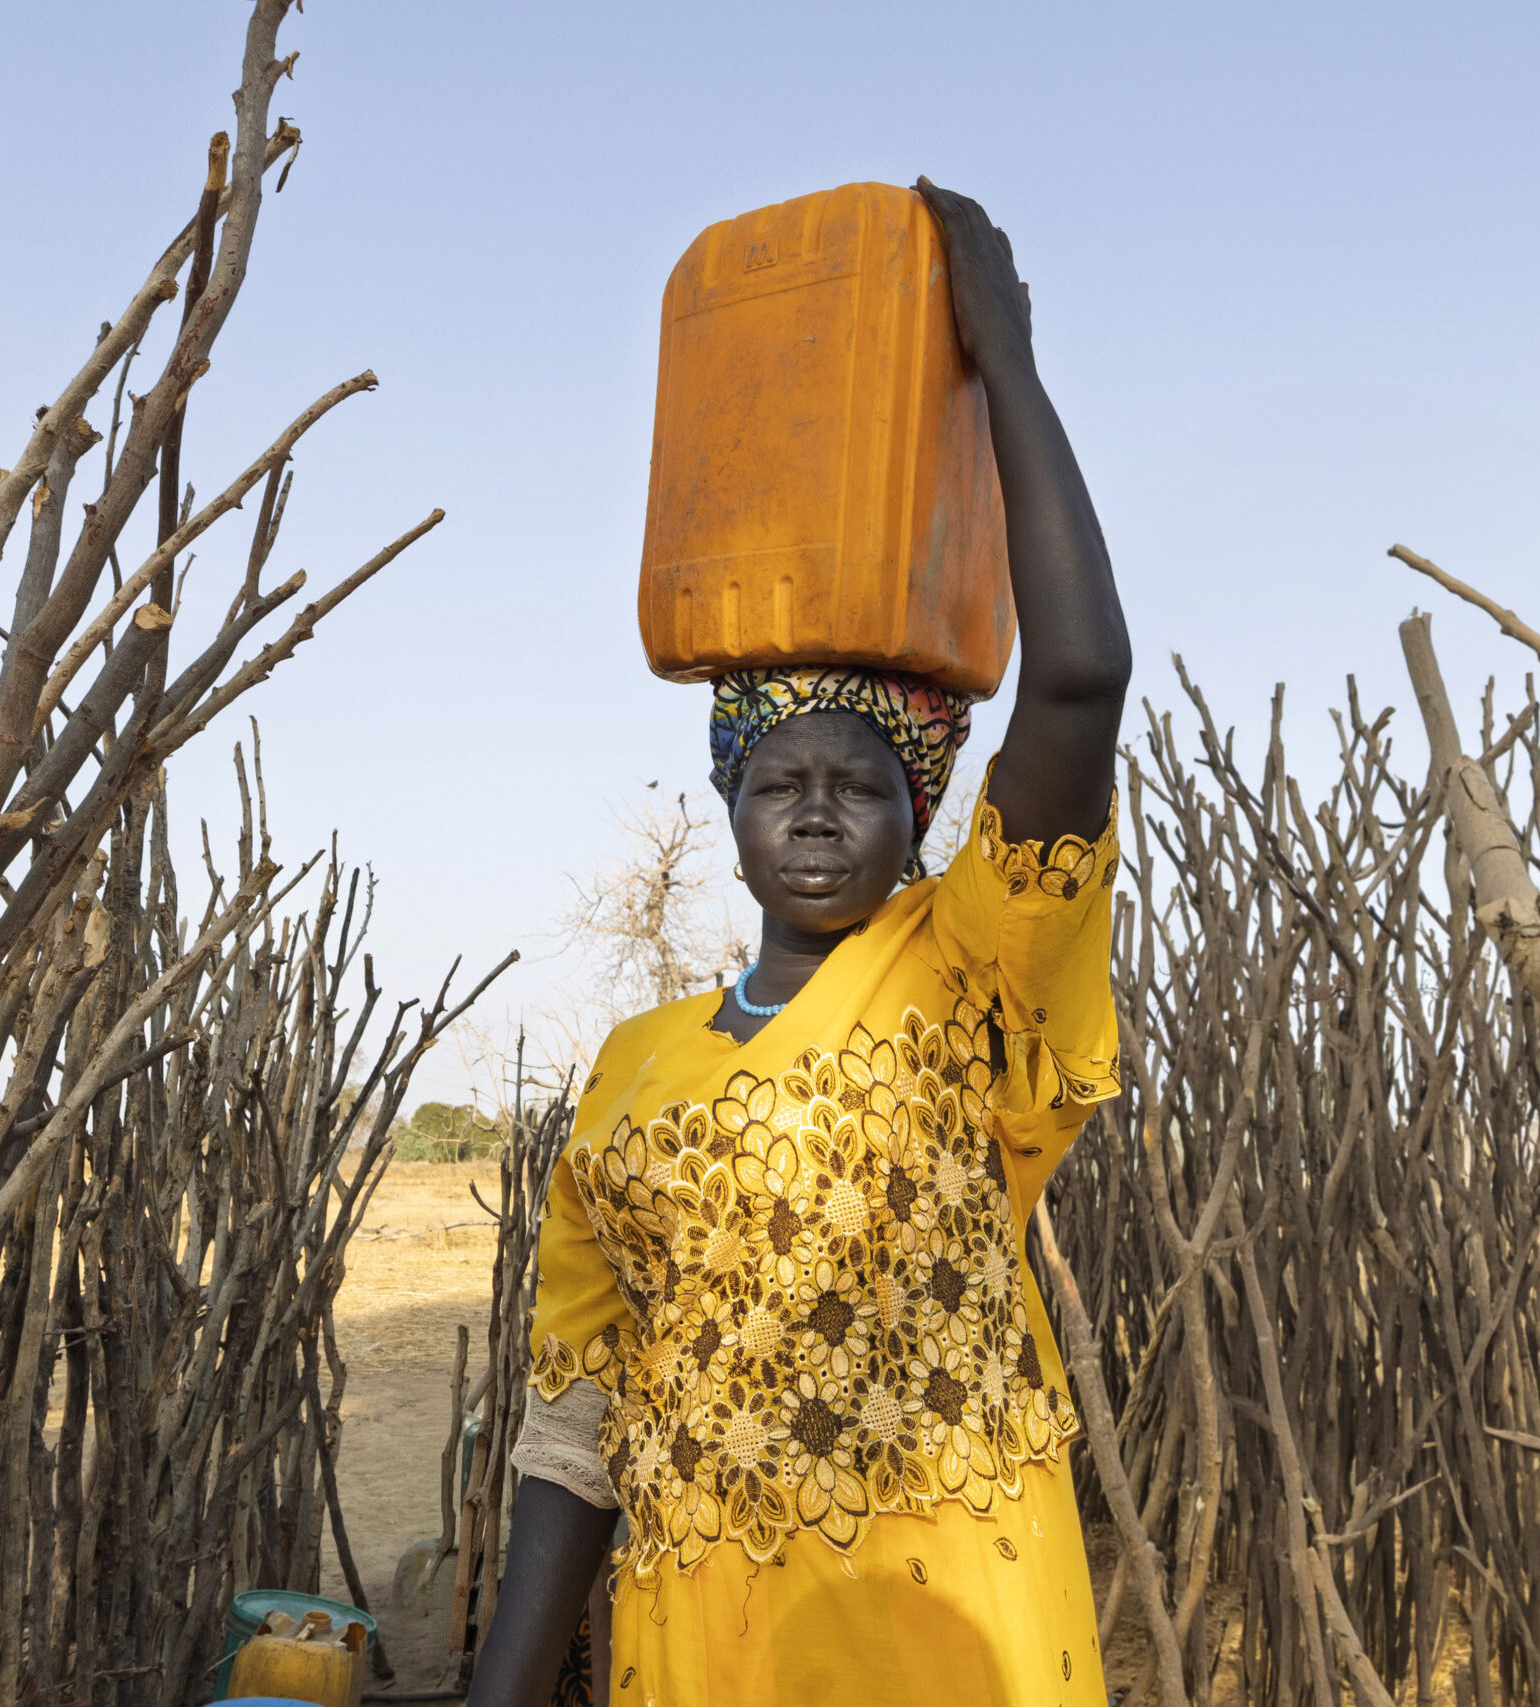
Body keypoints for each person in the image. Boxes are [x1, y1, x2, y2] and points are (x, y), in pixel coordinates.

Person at [469, 178, 1131, 1707]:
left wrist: (1005, 362)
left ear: (920, 818)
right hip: (703, 1648)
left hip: (947, 1631)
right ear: (731, 807)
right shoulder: (631, 1075)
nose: (819, 817)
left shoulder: (970, 979)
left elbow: (1082, 676)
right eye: (782, 783)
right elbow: (575, 1426)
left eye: (864, 788)